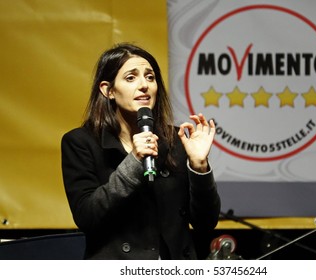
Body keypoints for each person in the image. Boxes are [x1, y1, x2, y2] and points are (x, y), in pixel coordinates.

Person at [61, 43, 221, 260]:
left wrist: (199, 166)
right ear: (108, 90)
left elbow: (205, 223)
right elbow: (87, 216)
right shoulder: (81, 142)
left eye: (150, 77)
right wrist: (134, 161)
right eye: (131, 78)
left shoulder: (177, 140)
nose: (144, 85)